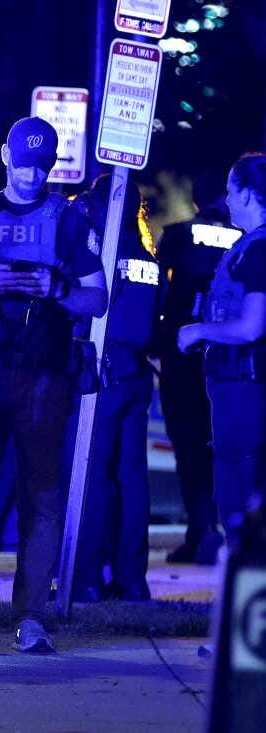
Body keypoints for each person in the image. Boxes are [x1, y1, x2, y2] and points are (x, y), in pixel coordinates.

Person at [0, 117, 107, 654]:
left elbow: (97, 298)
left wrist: (58, 287)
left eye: (43, 164)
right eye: (24, 163)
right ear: (4, 156)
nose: (33, 174)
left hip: (44, 376)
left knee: (41, 498)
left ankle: (31, 617)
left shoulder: (67, 221)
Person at [71, 174, 163, 602]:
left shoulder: (104, 255)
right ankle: (132, 579)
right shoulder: (148, 257)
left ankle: (87, 576)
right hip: (136, 375)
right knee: (132, 479)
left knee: (93, 477)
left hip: (104, 373)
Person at [178, 152, 266, 547]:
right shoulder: (249, 246)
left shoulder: (258, 250)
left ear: (248, 194)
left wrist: (199, 331)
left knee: (238, 482)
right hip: (239, 384)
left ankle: (243, 590)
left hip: (244, 384)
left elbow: (251, 326)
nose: (226, 199)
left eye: (232, 191)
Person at [156, 171, 233, 565]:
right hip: (227, 358)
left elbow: (160, 290)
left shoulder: (179, 235)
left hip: (183, 356)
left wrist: (155, 341)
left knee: (188, 449)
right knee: (224, 447)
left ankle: (199, 532)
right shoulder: (244, 238)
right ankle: (221, 531)